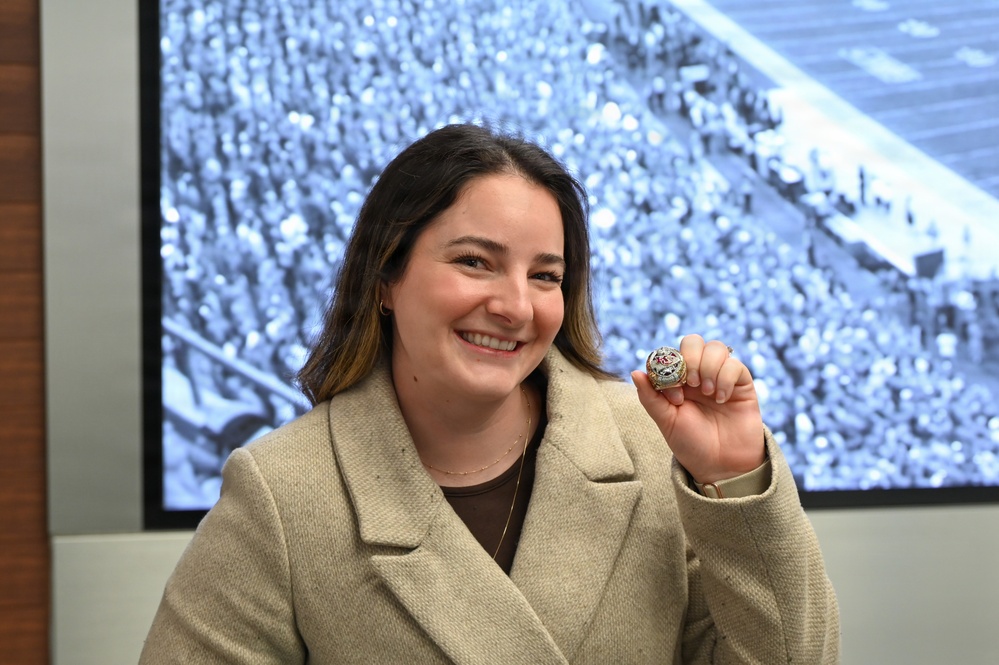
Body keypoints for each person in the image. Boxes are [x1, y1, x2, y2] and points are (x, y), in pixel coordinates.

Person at [140, 123, 840, 663]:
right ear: (385, 277)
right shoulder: (282, 494)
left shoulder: (652, 446)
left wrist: (733, 477)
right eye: (475, 262)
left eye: (544, 276)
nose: (514, 305)